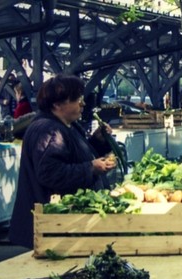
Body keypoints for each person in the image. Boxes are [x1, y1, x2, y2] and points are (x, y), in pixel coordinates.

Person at [10, 75, 117, 248]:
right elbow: (51, 174)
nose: (82, 103)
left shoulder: (66, 125)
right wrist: (91, 168)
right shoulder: (48, 130)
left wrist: (98, 141)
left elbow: (73, 155)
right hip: (50, 228)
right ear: (57, 105)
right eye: (76, 99)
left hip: (59, 226)